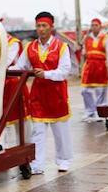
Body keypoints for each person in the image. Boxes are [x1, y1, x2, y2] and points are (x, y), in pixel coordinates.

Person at [14, 11, 73, 174]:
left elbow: (65, 71)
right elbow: (20, 66)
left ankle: (63, 160)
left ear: (51, 27)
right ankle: (37, 164)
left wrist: (46, 74)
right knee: (37, 132)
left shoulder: (62, 47)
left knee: (60, 131)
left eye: (44, 25)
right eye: (38, 25)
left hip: (57, 94)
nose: (41, 29)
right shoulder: (30, 47)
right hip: (38, 94)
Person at [80, 18, 108, 122]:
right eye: (92, 25)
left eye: (96, 25)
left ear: (100, 26)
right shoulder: (87, 38)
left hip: (101, 66)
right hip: (89, 66)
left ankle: (101, 112)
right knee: (85, 91)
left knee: (101, 91)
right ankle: (89, 112)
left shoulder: (105, 37)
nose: (94, 27)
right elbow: (83, 52)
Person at [2, 33, 30, 147]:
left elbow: (5, 63)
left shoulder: (13, 43)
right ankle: (2, 147)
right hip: (0, 84)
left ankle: (24, 145)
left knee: (20, 118)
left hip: (14, 84)